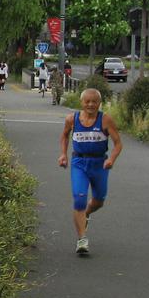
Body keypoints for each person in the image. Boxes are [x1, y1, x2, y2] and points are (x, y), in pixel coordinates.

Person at [58, 88, 123, 255]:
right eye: (87, 101)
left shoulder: (105, 120)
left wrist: (111, 159)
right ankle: (82, 239)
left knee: (99, 200)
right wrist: (63, 154)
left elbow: (118, 144)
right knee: (79, 198)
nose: (91, 104)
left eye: (94, 101)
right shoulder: (72, 119)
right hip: (79, 162)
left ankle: (86, 213)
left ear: (99, 103)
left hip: (99, 164)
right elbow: (64, 136)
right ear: (81, 102)